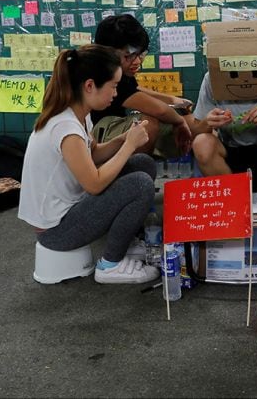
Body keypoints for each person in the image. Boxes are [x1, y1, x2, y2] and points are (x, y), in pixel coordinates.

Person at [18, 45, 159, 284]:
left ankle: (126, 242)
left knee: (142, 164)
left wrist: (123, 139)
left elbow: (92, 155)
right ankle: (110, 265)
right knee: (140, 184)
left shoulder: (79, 114)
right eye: (113, 86)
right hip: (56, 232)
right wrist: (128, 146)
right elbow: (94, 184)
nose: (115, 94)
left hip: (71, 210)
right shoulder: (65, 128)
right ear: (90, 85)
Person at [91, 14, 193, 159]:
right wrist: (180, 121)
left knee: (188, 121)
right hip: (96, 133)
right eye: (129, 56)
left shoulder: (120, 71)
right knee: (147, 124)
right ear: (107, 52)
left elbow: (135, 91)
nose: (137, 61)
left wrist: (172, 99)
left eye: (140, 54)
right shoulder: (106, 73)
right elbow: (159, 110)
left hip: (110, 126)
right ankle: (134, 172)